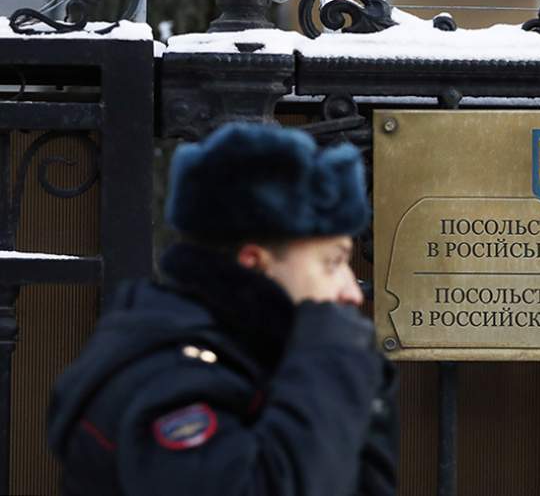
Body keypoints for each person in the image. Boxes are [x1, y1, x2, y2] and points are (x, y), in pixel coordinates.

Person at [46, 123, 396, 496]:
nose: (352, 291)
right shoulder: (167, 375)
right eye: (332, 262)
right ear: (254, 262)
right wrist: (332, 361)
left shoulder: (266, 357)